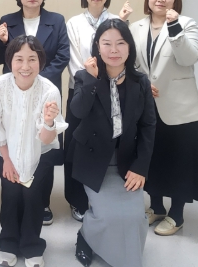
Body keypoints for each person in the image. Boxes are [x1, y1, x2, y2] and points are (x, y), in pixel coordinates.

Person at [69, 19, 156, 267]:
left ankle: (127, 258)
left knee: (135, 218)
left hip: (127, 162)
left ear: (129, 47)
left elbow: (148, 126)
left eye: (121, 43)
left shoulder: (140, 82)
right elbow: (78, 111)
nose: (114, 50)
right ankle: (86, 236)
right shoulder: (85, 76)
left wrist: (141, 167)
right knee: (108, 216)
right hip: (93, 160)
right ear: (98, 46)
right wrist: (92, 79)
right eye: (106, 43)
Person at [129, 0, 198, 236]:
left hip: (179, 106)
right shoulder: (137, 26)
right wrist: (142, 84)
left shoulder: (186, 24)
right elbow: (132, 63)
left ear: (176, 0)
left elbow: (188, 58)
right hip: (146, 104)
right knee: (152, 157)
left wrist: (174, 28)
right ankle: (157, 207)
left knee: (179, 160)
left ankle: (177, 214)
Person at [0, 35, 67, 267]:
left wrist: (49, 122)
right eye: (19, 59)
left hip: (41, 154)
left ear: (41, 61)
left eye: (32, 59)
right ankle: (8, 244)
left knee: (33, 199)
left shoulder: (49, 90)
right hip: (5, 152)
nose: (25, 66)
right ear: (10, 61)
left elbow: (47, 138)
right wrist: (7, 160)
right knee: (10, 197)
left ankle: (32, 246)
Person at [0, 0, 69, 225]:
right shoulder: (7, 21)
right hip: (13, 95)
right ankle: (14, 199)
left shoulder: (56, 20)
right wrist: (1, 41)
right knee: (15, 144)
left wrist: (36, 81)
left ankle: (42, 202)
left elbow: (62, 56)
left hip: (45, 95)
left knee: (43, 148)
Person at [65, 0, 132, 221]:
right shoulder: (73, 23)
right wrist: (89, 81)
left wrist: (104, 83)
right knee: (76, 146)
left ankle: (102, 197)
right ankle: (77, 200)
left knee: (105, 145)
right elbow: (74, 61)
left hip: (111, 91)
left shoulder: (117, 21)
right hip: (81, 90)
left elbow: (121, 56)